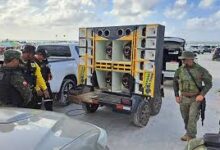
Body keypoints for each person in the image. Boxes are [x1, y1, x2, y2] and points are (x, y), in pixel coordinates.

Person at [173, 51, 212, 141]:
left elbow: (209, 83)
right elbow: (175, 82)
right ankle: (188, 133)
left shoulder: (200, 70)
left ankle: (191, 136)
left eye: (184, 59)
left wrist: (202, 95)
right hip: (183, 98)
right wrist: (176, 95)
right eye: (182, 60)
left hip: (195, 98)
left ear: (191, 59)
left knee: (192, 117)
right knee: (185, 117)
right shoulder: (180, 70)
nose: (183, 61)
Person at [21, 45, 49, 109]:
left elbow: (39, 77)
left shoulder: (33, 63)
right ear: (27, 53)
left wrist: (44, 89)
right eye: (32, 54)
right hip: (19, 92)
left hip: (30, 92)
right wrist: (37, 89)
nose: (33, 56)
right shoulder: (16, 62)